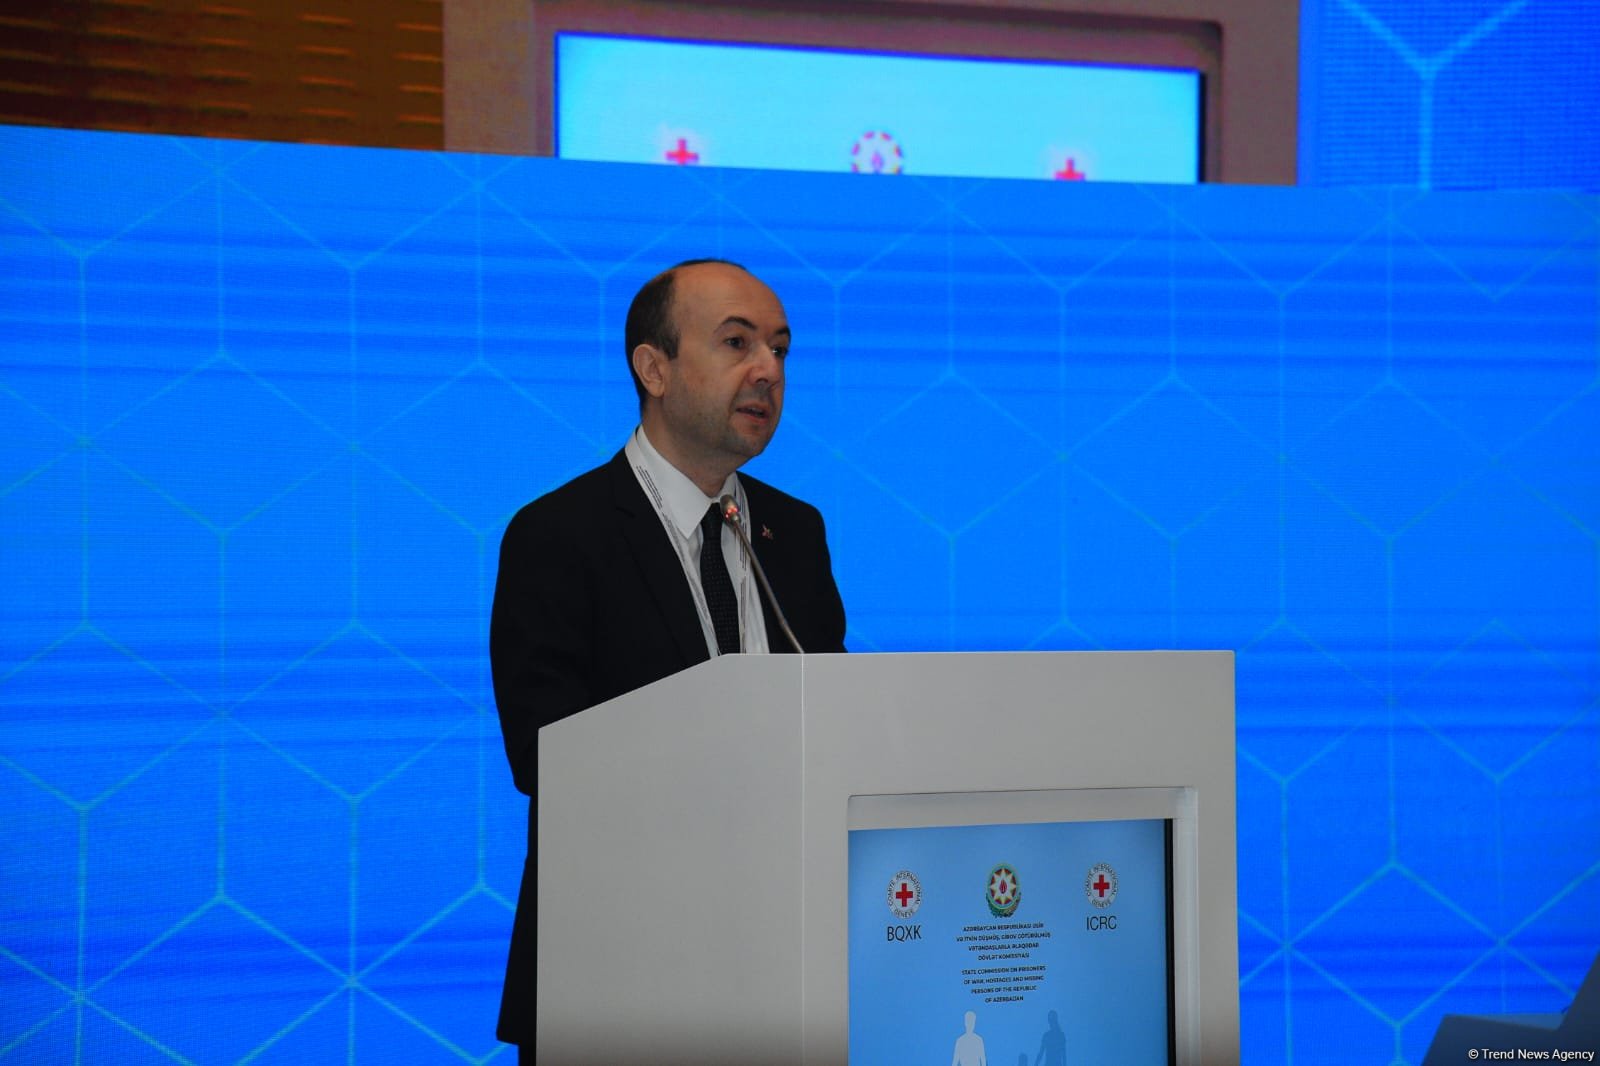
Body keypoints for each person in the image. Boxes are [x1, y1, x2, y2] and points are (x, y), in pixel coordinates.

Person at [488, 258, 847, 1056]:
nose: (768, 370)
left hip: (785, 966)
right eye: (737, 343)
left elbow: (835, 723)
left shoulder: (795, 533)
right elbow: (545, 753)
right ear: (654, 369)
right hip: (614, 976)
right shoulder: (559, 535)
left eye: (781, 349)